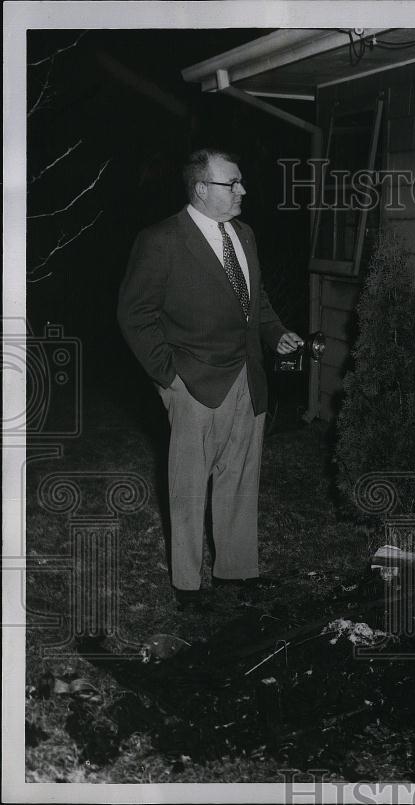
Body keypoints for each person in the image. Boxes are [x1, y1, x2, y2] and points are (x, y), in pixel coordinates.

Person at [118, 148, 303, 609]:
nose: (242, 190)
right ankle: (187, 584)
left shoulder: (244, 235)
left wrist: (275, 334)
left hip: (247, 376)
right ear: (201, 189)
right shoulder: (161, 240)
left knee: (240, 477)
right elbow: (134, 313)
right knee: (187, 484)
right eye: (231, 183)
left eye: (240, 182)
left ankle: (236, 572)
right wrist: (169, 376)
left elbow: (254, 302)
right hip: (193, 381)